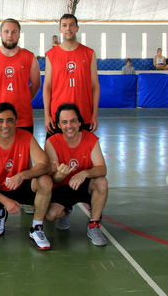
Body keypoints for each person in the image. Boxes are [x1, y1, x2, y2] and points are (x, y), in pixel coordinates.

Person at [0, 102, 53, 250]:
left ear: (16, 121)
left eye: (9, 120)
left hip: (22, 186)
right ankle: (0, 211)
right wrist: (5, 201)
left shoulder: (26, 137)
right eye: (0, 121)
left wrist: (22, 175)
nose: (5, 125)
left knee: (45, 181)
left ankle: (36, 228)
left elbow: (45, 165)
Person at [44, 103, 108, 246]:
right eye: (64, 122)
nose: (69, 125)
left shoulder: (91, 139)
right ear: (59, 125)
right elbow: (52, 178)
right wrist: (60, 175)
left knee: (102, 182)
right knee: (50, 215)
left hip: (84, 185)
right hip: (63, 187)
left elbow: (102, 169)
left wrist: (84, 173)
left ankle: (94, 225)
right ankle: (67, 210)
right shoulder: (52, 142)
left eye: (73, 121)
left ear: (80, 122)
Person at [0, 19, 41, 135]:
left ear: (19, 35)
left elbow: (36, 84)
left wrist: (23, 100)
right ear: (0, 34)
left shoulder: (29, 57)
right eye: (6, 32)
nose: (10, 35)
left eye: (14, 32)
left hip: (23, 119)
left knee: (24, 153)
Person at [43, 14, 100, 138]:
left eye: (71, 25)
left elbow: (95, 86)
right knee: (53, 156)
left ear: (77, 28)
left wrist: (94, 115)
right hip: (57, 117)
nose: (68, 28)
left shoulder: (89, 53)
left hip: (83, 115)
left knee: (83, 156)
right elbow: (47, 86)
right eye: (64, 25)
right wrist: (47, 115)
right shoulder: (51, 54)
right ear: (60, 29)